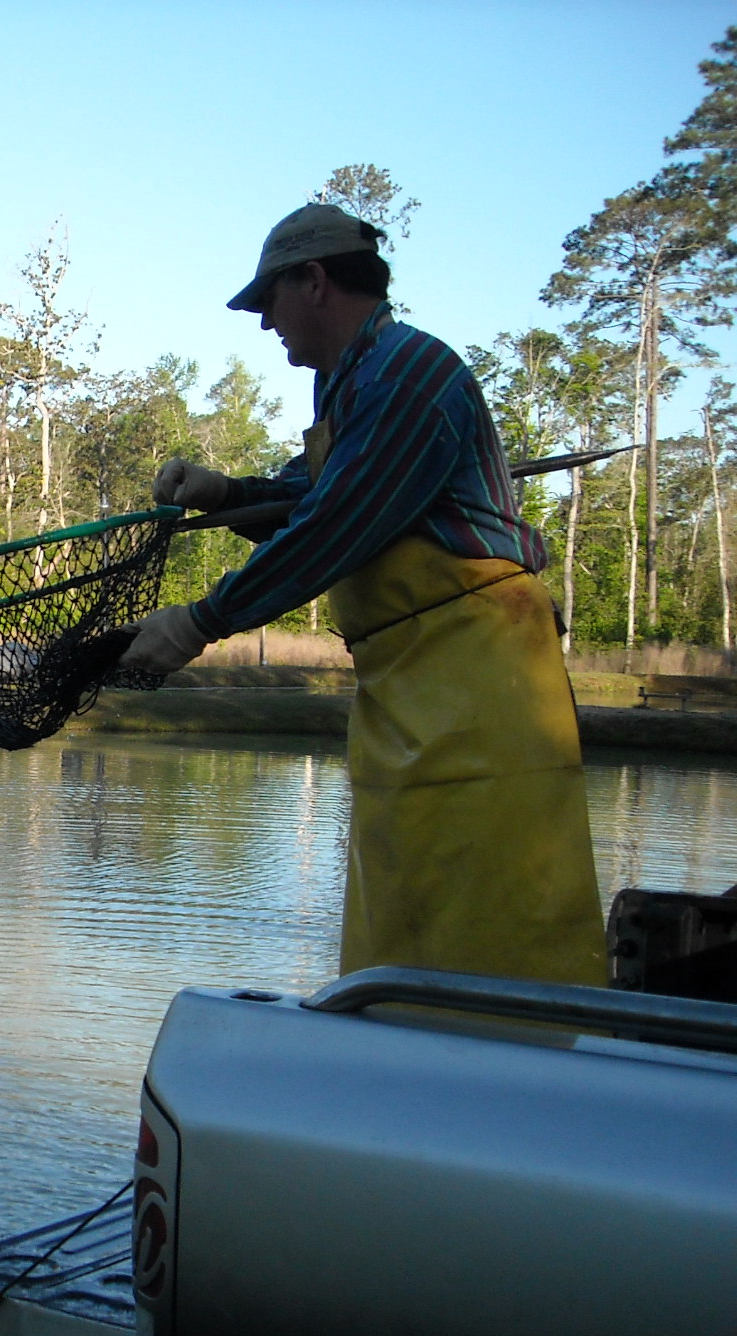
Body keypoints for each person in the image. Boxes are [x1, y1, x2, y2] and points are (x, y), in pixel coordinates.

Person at [120, 204, 607, 986]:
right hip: (411, 689)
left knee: (498, 937)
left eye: (266, 302)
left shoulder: (411, 376)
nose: (262, 324)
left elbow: (335, 527)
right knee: (405, 940)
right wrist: (222, 492)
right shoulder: (347, 389)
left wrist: (200, 622)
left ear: (313, 283)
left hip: (484, 692)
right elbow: (310, 500)